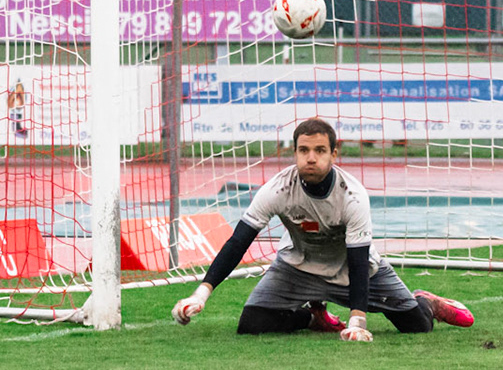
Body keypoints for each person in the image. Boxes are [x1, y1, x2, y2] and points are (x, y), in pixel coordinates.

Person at [172, 117, 474, 342]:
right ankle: (313, 316)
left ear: (334, 154)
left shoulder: (352, 196)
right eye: (303, 150)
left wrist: (357, 321)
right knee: (251, 323)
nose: (311, 158)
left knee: (416, 326)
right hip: (297, 268)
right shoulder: (277, 188)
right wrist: (200, 295)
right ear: (295, 153)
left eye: (319, 150)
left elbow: (357, 260)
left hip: (352, 269)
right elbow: (239, 241)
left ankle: (427, 302)